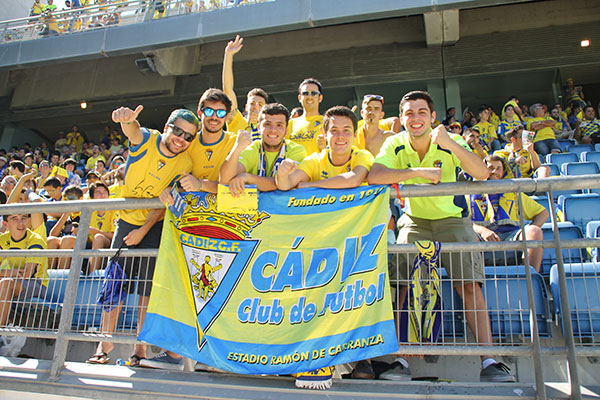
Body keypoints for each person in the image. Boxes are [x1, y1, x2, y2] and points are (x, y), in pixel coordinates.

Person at [367, 90, 515, 383]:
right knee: (406, 288)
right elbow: (375, 175)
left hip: (453, 221)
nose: (415, 118)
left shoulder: (450, 140)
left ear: (433, 117)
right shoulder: (395, 143)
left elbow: (481, 172)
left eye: (422, 112)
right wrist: (416, 172)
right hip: (415, 221)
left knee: (469, 287)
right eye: (409, 113)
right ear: (403, 118)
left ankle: (489, 361)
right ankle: (402, 360)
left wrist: (449, 143)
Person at [87, 105, 196, 370]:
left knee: (147, 291)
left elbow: (164, 203)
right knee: (114, 284)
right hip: (126, 221)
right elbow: (133, 132)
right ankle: (105, 344)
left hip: (154, 226)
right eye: (178, 131)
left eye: (188, 136)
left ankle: (140, 347)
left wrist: (143, 231)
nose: (181, 139)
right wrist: (126, 121)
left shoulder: (185, 163)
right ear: (167, 127)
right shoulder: (148, 138)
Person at [276, 106, 374, 390]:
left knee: (356, 300)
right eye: (334, 130)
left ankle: (362, 361)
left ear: (354, 135)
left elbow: (353, 179)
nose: (340, 136)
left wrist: (312, 186)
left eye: (346, 131)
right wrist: (284, 174)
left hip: (355, 243)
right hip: (320, 246)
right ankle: (310, 360)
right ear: (324, 133)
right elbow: (286, 185)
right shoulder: (314, 159)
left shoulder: (362, 156)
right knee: (316, 301)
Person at [470, 155, 548, 273]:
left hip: (511, 235)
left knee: (534, 231)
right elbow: (462, 221)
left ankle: (531, 277)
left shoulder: (514, 194)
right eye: (490, 167)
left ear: (503, 172)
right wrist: (482, 231)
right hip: (482, 237)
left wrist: (531, 227)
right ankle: (473, 281)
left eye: (498, 168)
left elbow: (543, 213)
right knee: (466, 236)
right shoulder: (469, 194)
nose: (494, 171)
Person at [219, 103, 306, 196]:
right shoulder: (251, 149)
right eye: (267, 124)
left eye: (279, 125)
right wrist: (236, 149)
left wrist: (248, 178)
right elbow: (225, 181)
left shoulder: (297, 150)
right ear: (259, 128)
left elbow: (285, 183)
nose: (273, 130)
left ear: (286, 130)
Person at [0, 214, 48, 332]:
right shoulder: (2, 240)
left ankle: (0, 330)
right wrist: (11, 272)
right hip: (15, 281)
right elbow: (17, 273)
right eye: (15, 219)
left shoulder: (35, 239)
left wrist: (4, 273)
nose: (20, 223)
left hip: (36, 284)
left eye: (23, 218)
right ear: (6, 224)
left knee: (6, 283)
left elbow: (27, 274)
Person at [185, 88, 236, 194]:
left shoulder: (235, 143)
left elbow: (234, 186)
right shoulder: (187, 143)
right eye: (209, 111)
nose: (214, 117)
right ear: (199, 113)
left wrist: (199, 184)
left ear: (226, 116)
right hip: (194, 208)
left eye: (220, 113)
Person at [222, 35, 268, 141]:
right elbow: (228, 90)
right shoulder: (236, 121)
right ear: (246, 107)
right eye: (252, 103)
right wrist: (228, 55)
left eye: (260, 104)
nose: (255, 107)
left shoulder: (270, 129)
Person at [287, 78, 325, 156]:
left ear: (320, 98)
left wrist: (324, 148)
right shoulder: (290, 124)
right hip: (294, 168)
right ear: (299, 98)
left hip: (317, 167)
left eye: (314, 93)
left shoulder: (327, 123)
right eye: (305, 93)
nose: (309, 97)